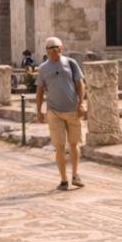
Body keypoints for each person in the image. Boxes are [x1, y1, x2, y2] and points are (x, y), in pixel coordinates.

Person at [34, 37, 87, 191]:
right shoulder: (43, 68)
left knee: (74, 144)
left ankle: (75, 174)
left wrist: (80, 103)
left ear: (61, 47)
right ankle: (63, 179)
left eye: (55, 46)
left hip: (72, 109)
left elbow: (80, 84)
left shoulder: (71, 63)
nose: (53, 49)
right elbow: (39, 91)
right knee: (59, 146)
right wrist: (39, 111)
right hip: (54, 111)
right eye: (49, 47)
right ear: (46, 50)